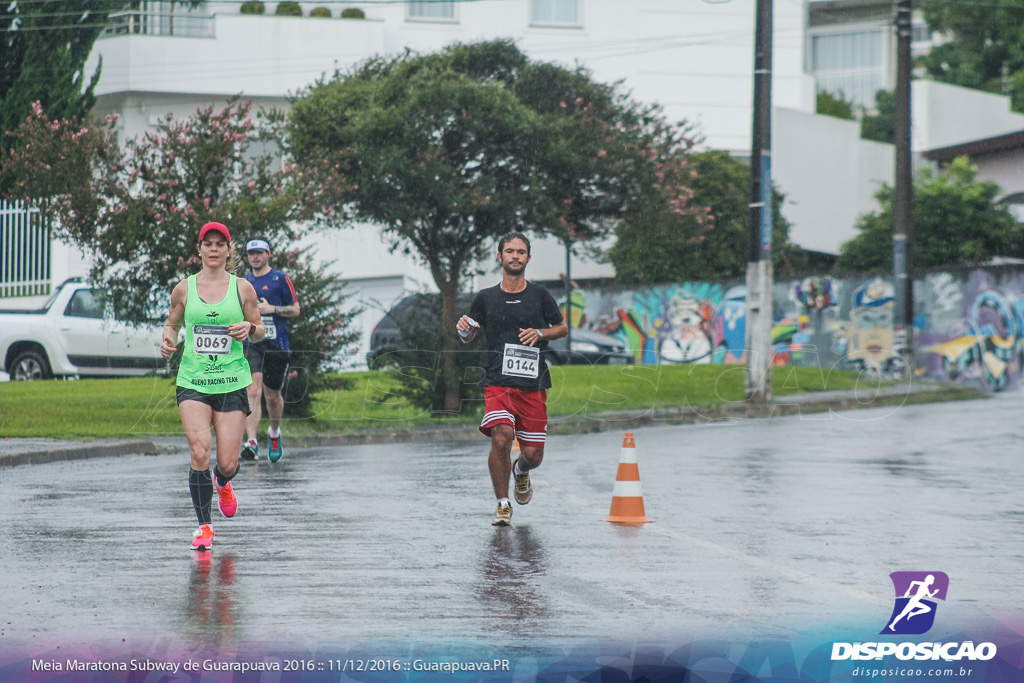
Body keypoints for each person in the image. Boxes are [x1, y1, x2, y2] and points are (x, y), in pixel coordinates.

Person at [160, 222, 265, 551]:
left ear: (228, 249)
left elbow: (261, 329)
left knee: (228, 463)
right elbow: (172, 325)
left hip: (232, 382)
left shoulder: (243, 288)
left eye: (221, 244)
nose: (215, 249)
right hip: (193, 381)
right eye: (209, 244)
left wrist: (249, 327)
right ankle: (204, 526)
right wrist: (167, 341)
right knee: (199, 451)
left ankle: (223, 483)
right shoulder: (184, 289)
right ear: (200, 249)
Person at [456, 232, 568, 526]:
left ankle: (521, 471)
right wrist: (463, 329)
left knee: (533, 454)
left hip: (532, 386)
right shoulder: (486, 297)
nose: (515, 256)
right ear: (500, 257)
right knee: (502, 437)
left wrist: (541, 333)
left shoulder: (540, 296)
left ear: (528, 258)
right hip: (497, 382)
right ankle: (502, 503)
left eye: (521, 251)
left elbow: (562, 327)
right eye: (509, 251)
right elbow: (469, 334)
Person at [240, 236, 300, 462]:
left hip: (277, 344)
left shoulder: (281, 279)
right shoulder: (243, 282)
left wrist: (270, 309)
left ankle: (274, 432)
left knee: (272, 396)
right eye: (251, 253)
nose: (255, 257)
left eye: (259, 252)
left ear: (268, 254)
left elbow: (295, 310)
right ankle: (252, 442)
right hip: (251, 342)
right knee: (252, 391)